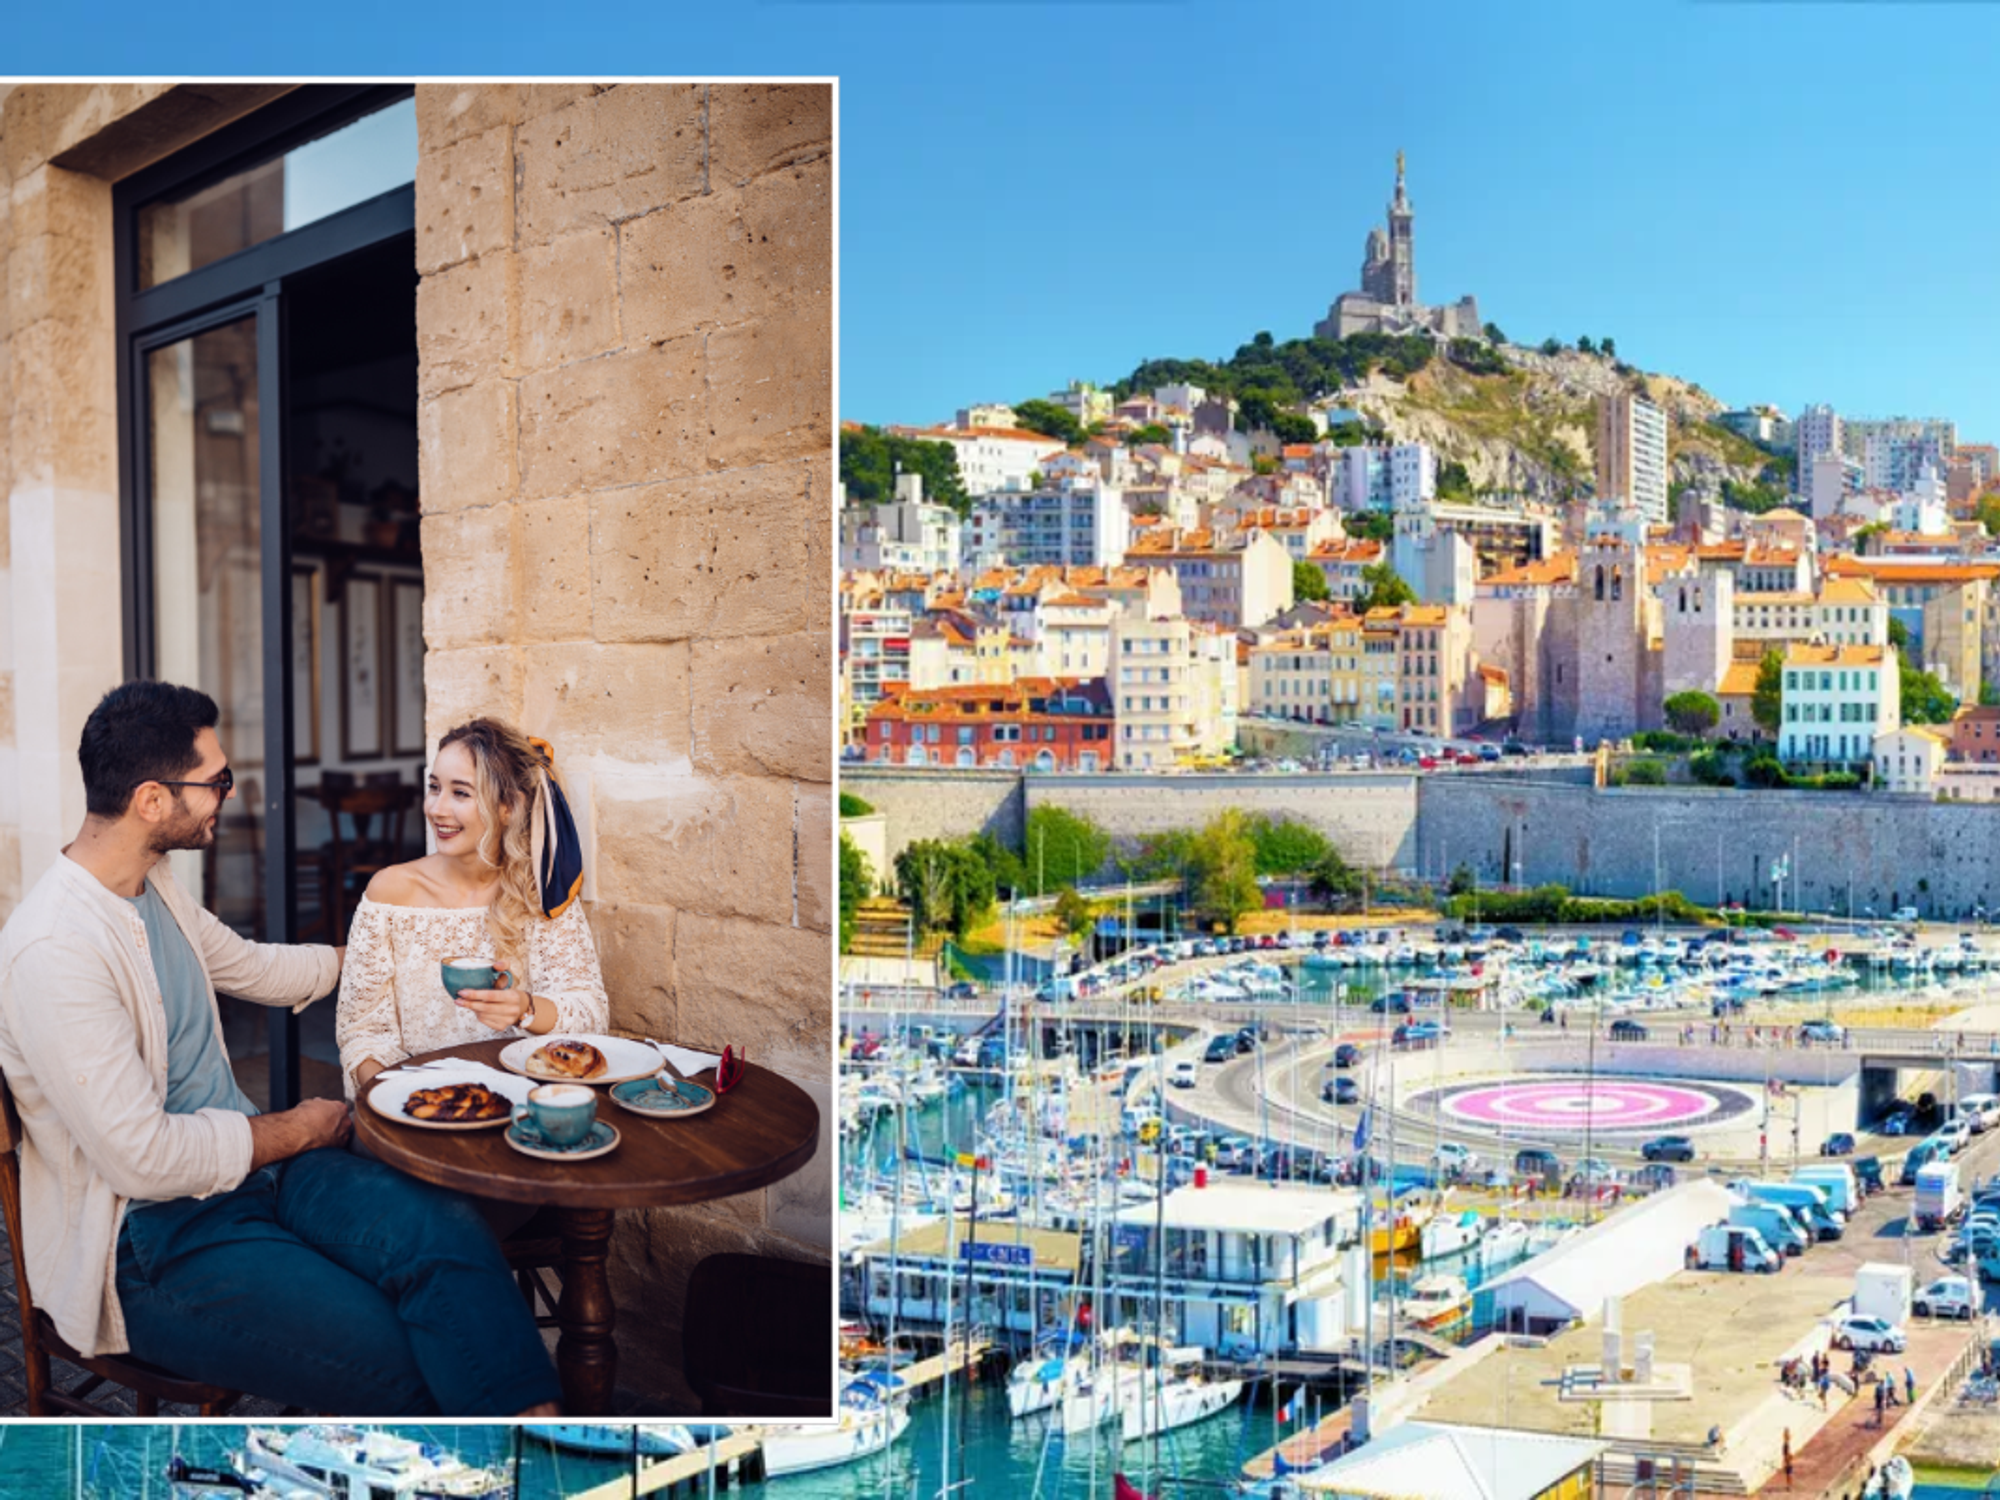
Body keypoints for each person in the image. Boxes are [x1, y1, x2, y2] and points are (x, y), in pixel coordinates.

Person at [0, 682, 560, 1415]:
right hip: (150, 1244)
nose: (230, 794)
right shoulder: (54, 948)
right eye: (217, 781)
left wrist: (384, 951)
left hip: (254, 1175)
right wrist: (299, 1127)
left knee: (446, 1236)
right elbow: (142, 1158)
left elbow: (251, 966)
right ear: (150, 800)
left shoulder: (150, 883)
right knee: (415, 1354)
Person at [337, 718, 608, 1095]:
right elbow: (362, 1031)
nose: (436, 808)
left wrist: (524, 1008)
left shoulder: (538, 893)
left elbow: (592, 1014)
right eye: (434, 788)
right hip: (414, 1106)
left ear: (508, 807)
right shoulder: (389, 893)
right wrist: (404, 1101)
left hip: (522, 1103)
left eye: (460, 793)